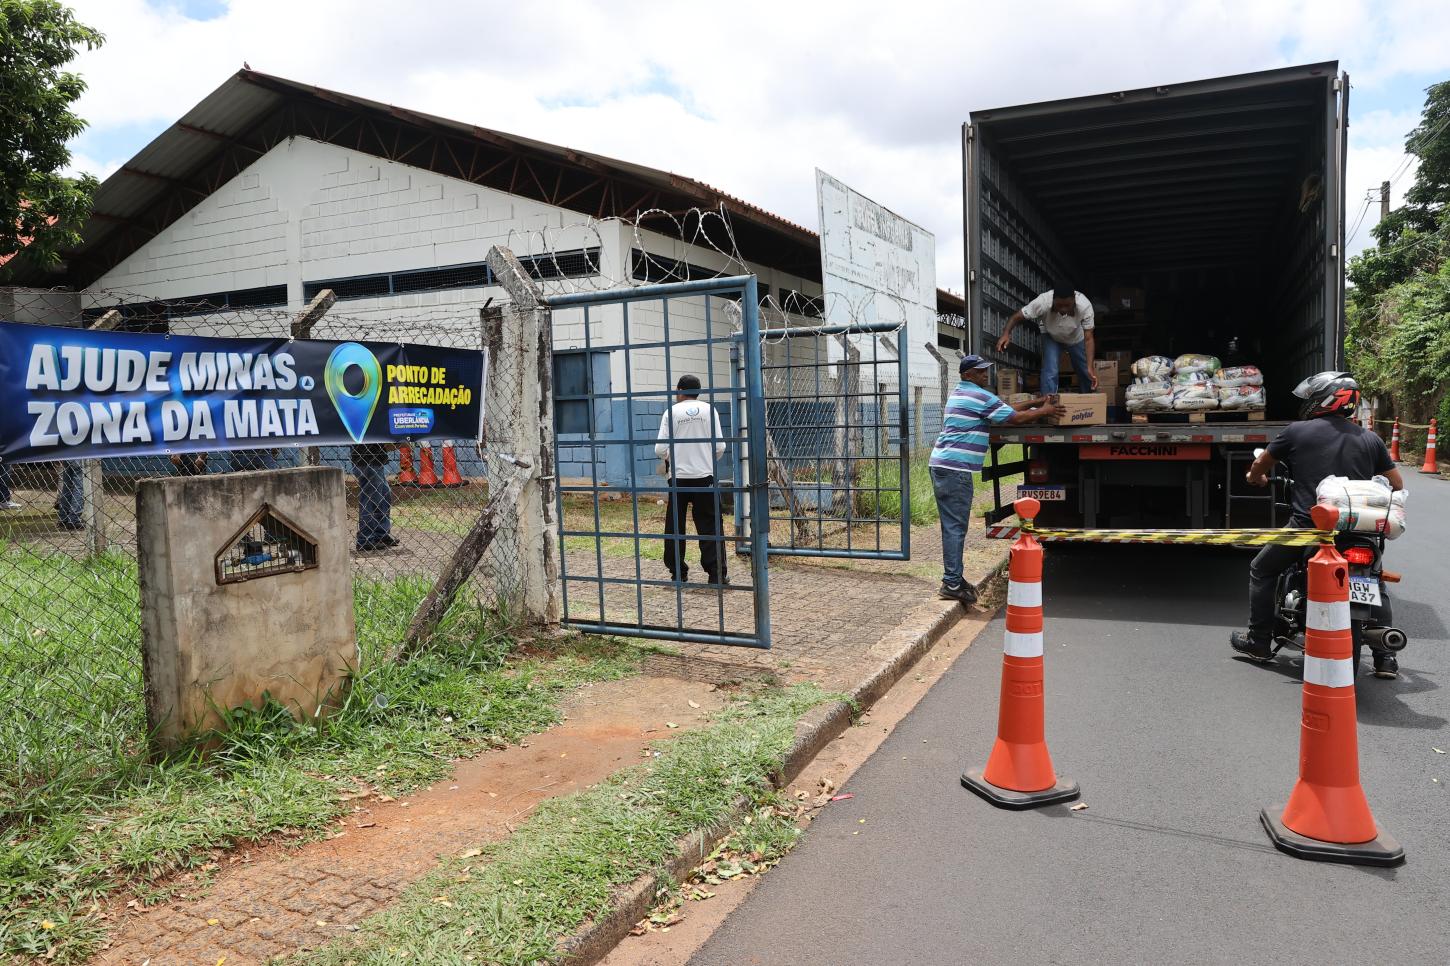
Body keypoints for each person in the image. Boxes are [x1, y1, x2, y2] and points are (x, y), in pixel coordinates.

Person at [1230, 371, 1404, 677]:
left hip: (1307, 527)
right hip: (1359, 531)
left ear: (1321, 399)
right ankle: (1384, 656)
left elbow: (1262, 463)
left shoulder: (1297, 432)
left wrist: (1255, 477)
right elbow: (1396, 484)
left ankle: (1258, 640)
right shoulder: (1370, 439)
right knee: (1372, 581)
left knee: (1261, 568)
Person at [930, 354, 1061, 605]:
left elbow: (1004, 408)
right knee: (955, 528)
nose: (985, 375)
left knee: (953, 526)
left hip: (944, 466)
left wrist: (1038, 401)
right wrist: (1046, 410)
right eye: (980, 372)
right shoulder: (977, 396)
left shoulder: (963, 392)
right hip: (954, 470)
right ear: (968, 374)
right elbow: (1014, 418)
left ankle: (954, 578)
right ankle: (951, 583)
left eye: (986, 370)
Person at [655, 374, 726, 586]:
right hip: (704, 477)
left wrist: (671, 457)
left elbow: (660, 448)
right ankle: (716, 575)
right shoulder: (709, 410)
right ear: (699, 392)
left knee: (675, 527)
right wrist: (704, 457)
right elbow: (720, 447)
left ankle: (678, 573)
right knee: (710, 526)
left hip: (678, 479)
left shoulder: (671, 412)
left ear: (679, 390)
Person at [995, 286, 1099, 395]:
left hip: (1075, 337)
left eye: (1067, 305)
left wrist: (1090, 367)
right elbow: (1016, 317)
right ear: (1053, 300)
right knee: (1050, 370)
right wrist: (1006, 333)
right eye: (1059, 305)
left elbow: (1088, 338)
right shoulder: (1043, 301)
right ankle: (1048, 403)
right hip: (1051, 335)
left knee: (1085, 371)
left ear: (1074, 300)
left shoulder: (1085, 306)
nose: (1063, 309)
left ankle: (1090, 400)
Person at [351, 443, 398, 552]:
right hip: (367, 461)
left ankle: (381, 534)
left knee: (385, 495)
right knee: (370, 501)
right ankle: (365, 539)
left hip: (375, 460)